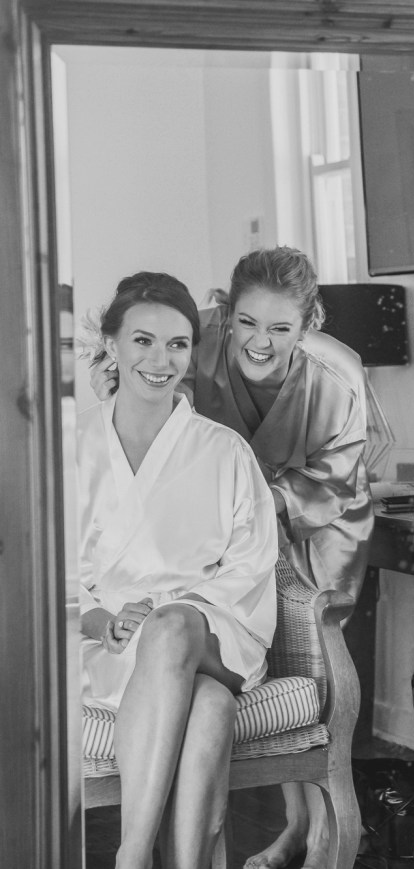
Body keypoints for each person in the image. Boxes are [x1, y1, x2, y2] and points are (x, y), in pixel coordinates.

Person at [92, 246, 373, 869]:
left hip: (314, 512)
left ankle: (307, 832)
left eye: (280, 328)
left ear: (308, 325)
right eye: (246, 322)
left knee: (304, 648)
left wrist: (250, 499)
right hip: (208, 527)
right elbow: (155, 420)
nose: (259, 342)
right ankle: (247, 840)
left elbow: (338, 475)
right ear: (226, 313)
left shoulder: (337, 378)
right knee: (209, 697)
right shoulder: (188, 341)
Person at [79, 271, 279, 869]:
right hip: (107, 645)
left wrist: (176, 610)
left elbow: (251, 562)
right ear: (111, 344)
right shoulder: (67, 447)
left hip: (215, 631)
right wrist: (102, 620)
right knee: (210, 705)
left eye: (177, 344)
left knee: (170, 628)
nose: (160, 360)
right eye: (143, 341)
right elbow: (43, 571)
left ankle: (132, 856)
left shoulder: (224, 450)